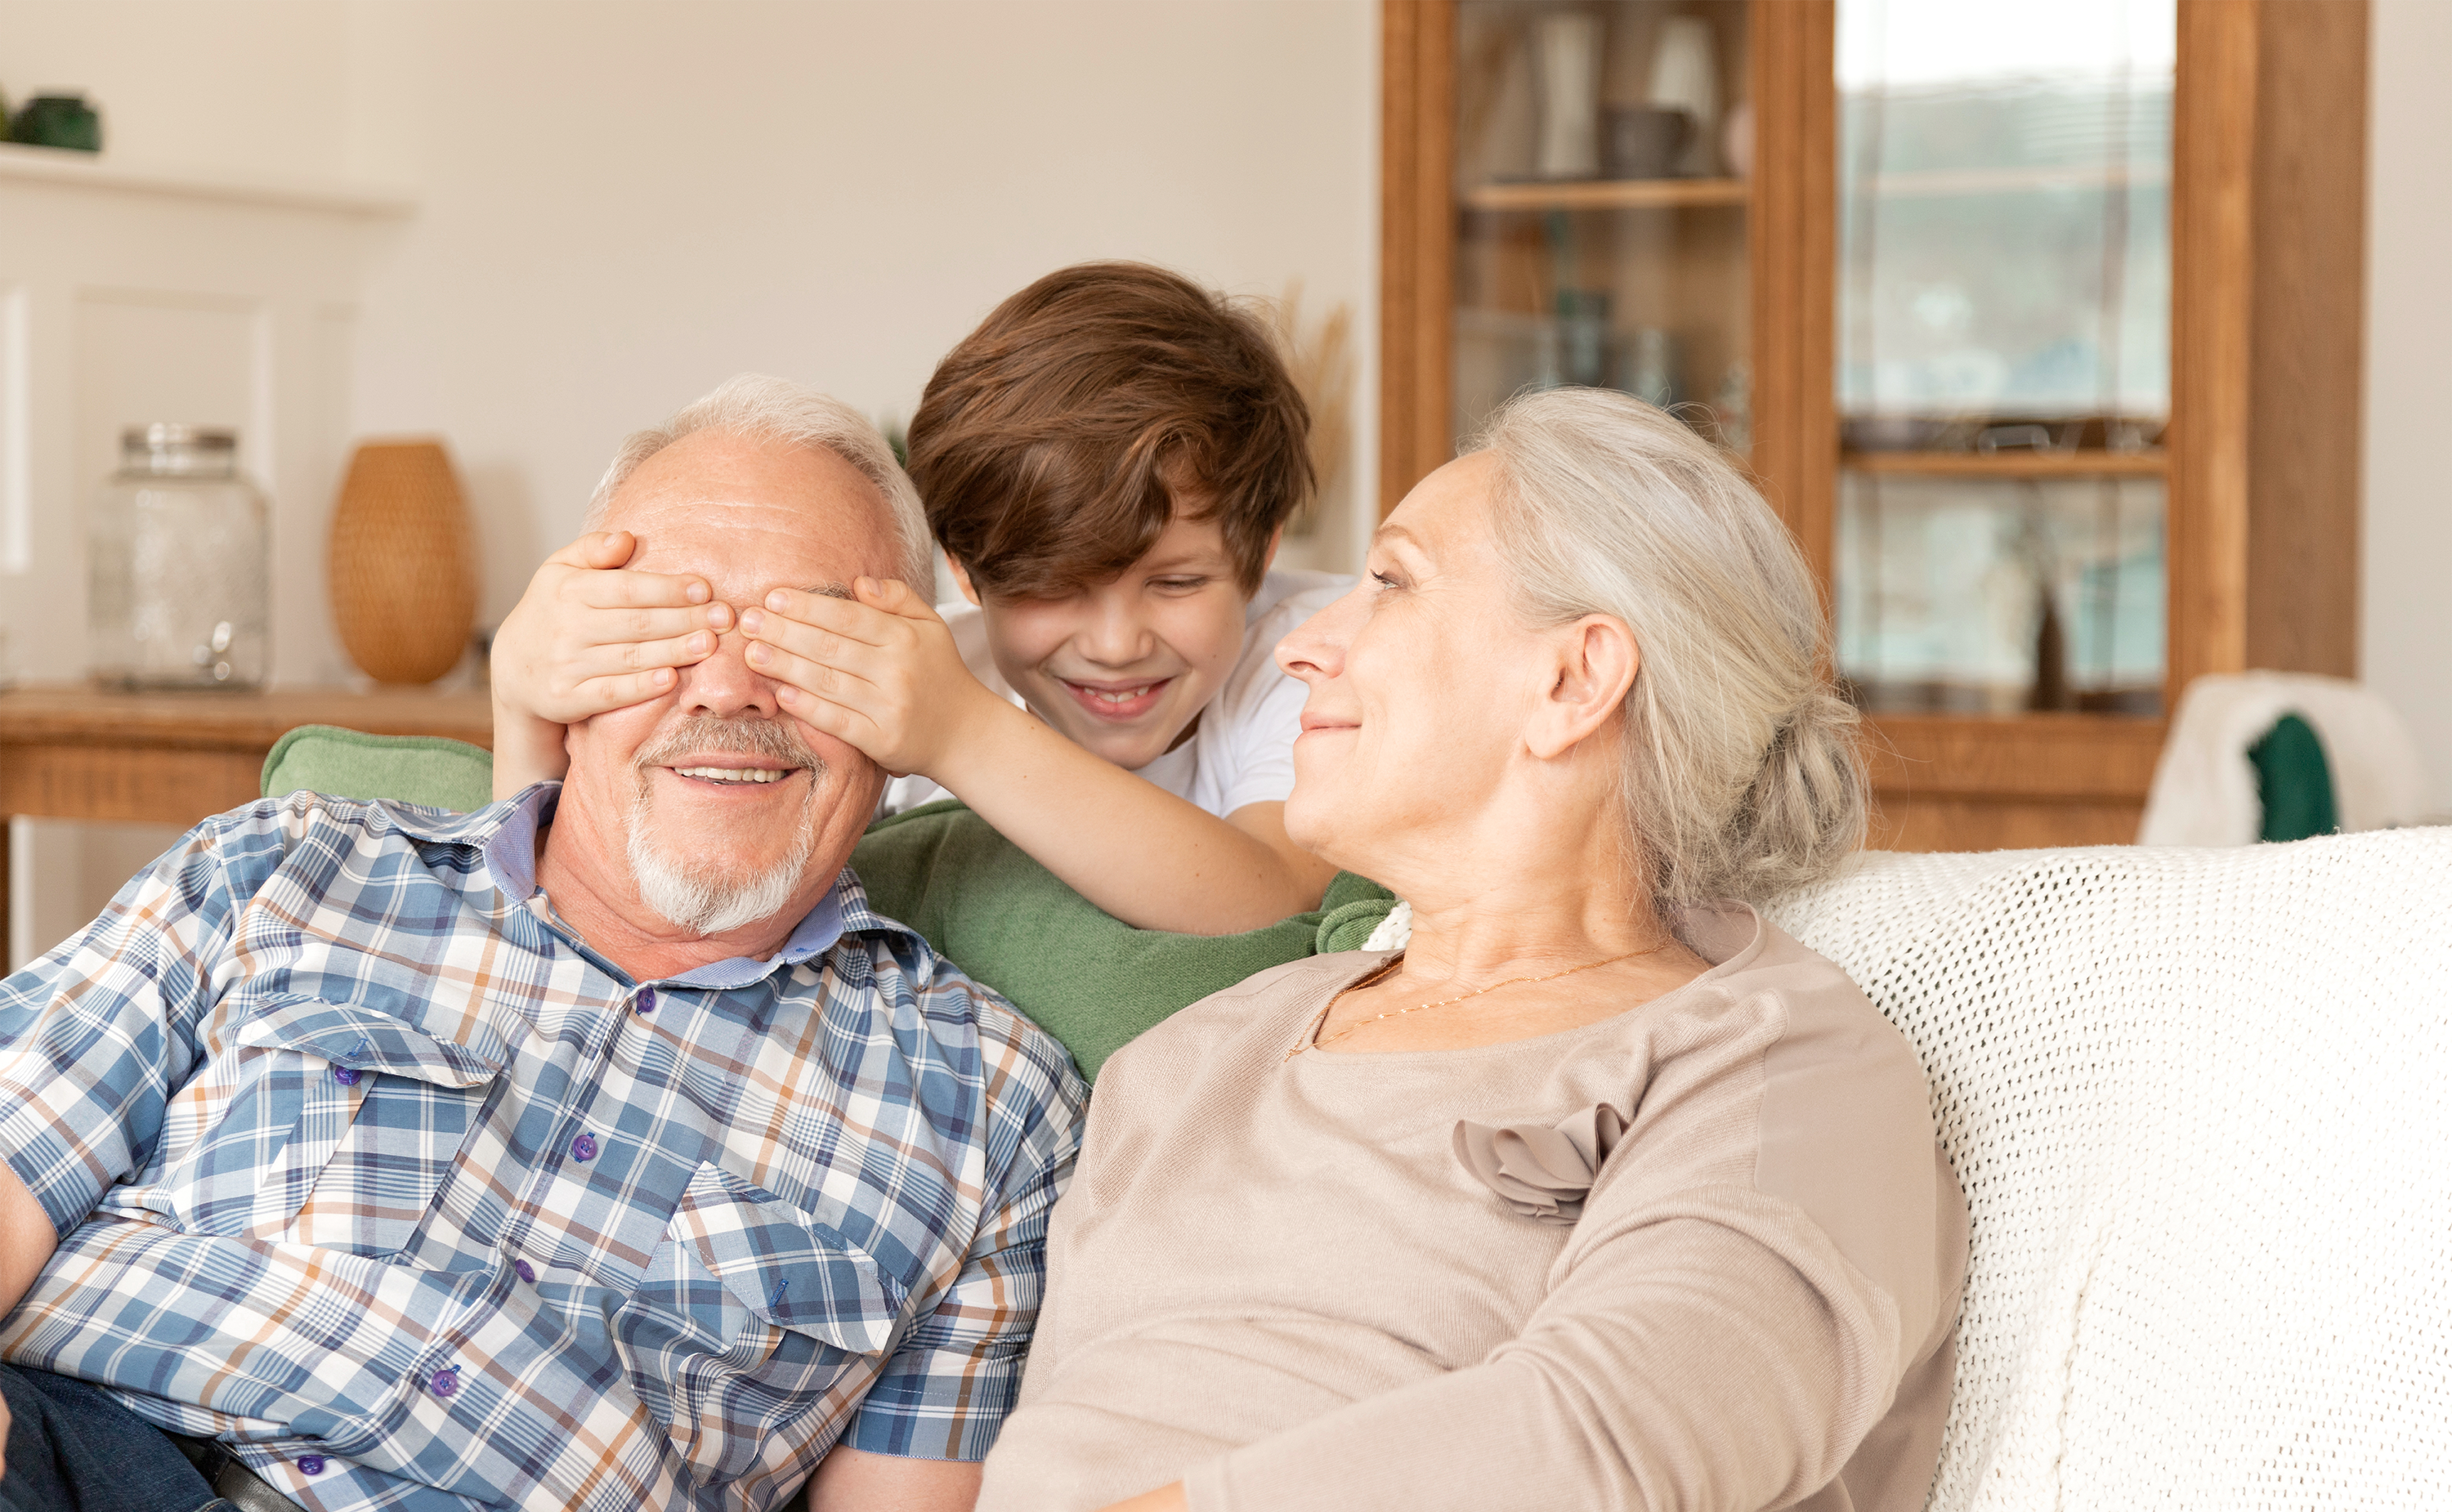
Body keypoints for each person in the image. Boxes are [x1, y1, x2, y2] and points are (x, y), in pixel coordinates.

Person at [0, 376, 1085, 1512]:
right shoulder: (283, 865)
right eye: (667, 622)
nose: (726, 684)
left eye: (809, 640)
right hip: (65, 1444)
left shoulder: (990, 1105)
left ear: (908, 691)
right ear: (569, 659)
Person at [976, 388, 1971, 1512]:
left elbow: (1618, 1445)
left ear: (1575, 680)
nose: (1301, 646)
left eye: (1391, 581)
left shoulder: (1776, 1064)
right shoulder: (1202, 1051)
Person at [489, 263, 1346, 936]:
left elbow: (1269, 896)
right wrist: (522, 706)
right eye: (1055, 588)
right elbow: (570, 895)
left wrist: (960, 732)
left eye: (1177, 582)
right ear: (965, 573)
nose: (1117, 642)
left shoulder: (1319, 660)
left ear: (1260, 552)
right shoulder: (918, 663)